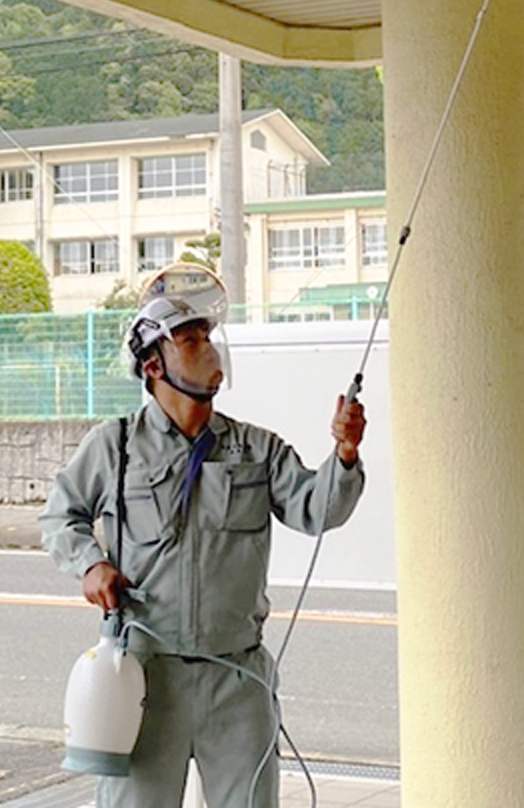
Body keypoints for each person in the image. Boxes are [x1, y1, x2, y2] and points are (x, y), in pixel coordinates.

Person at [40, 282, 366, 808]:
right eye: (190, 339)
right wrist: (90, 564)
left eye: (208, 335)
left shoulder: (255, 448)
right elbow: (61, 514)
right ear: (153, 366)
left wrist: (345, 455)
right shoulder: (114, 446)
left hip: (236, 678)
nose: (208, 348)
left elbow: (317, 509)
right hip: (144, 677)